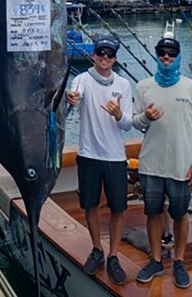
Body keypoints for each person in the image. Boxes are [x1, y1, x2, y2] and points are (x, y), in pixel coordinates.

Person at [132, 34, 192, 289]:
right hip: (151, 164)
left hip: (181, 166)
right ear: (157, 55)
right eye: (162, 52)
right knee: (153, 212)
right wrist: (146, 117)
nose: (166, 57)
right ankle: (155, 260)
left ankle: (179, 261)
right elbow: (136, 123)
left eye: (171, 53)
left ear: (178, 57)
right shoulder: (143, 86)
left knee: (180, 214)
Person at [65, 36, 133, 286]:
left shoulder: (124, 85)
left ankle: (114, 255)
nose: (105, 58)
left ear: (115, 58)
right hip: (88, 154)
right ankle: (97, 248)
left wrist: (118, 115)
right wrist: (71, 100)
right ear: (93, 55)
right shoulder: (81, 79)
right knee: (90, 204)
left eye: (110, 54)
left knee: (118, 208)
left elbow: (128, 124)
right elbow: (73, 100)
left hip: (115, 156)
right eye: (100, 53)